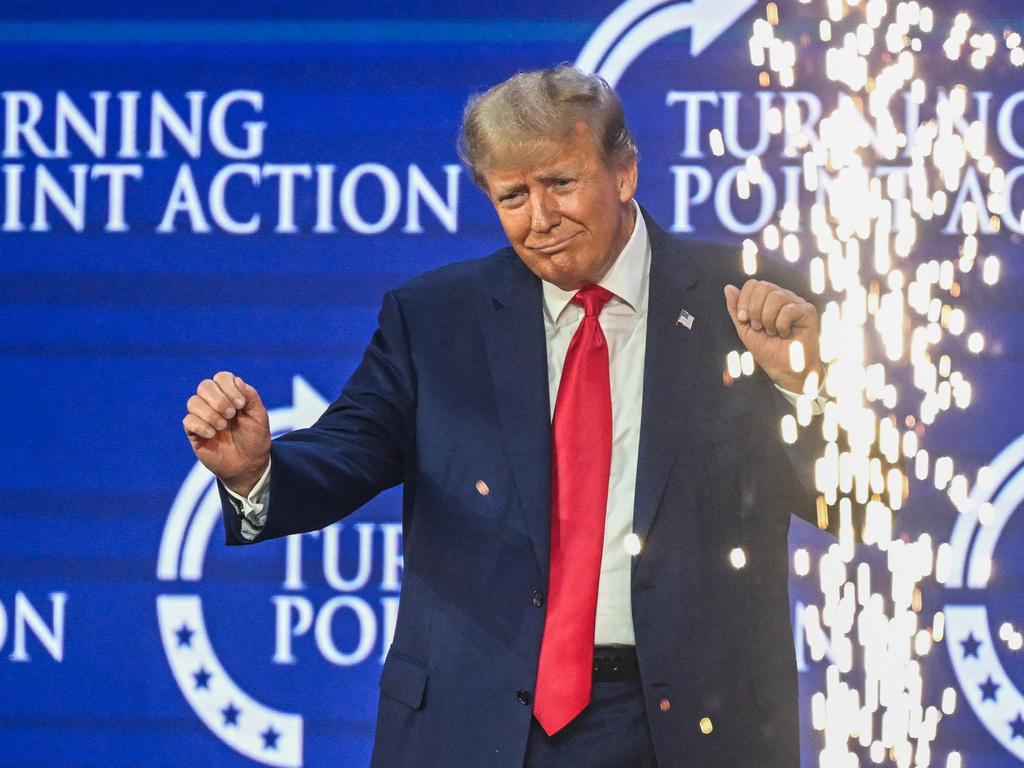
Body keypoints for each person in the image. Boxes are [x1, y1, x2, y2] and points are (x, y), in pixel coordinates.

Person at [183, 66, 826, 767]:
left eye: (560, 183)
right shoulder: (435, 319)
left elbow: (847, 505)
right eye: (512, 196)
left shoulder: (747, 300)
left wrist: (800, 384)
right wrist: (257, 469)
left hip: (688, 729)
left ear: (625, 172)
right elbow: (350, 451)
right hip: (471, 721)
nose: (540, 220)